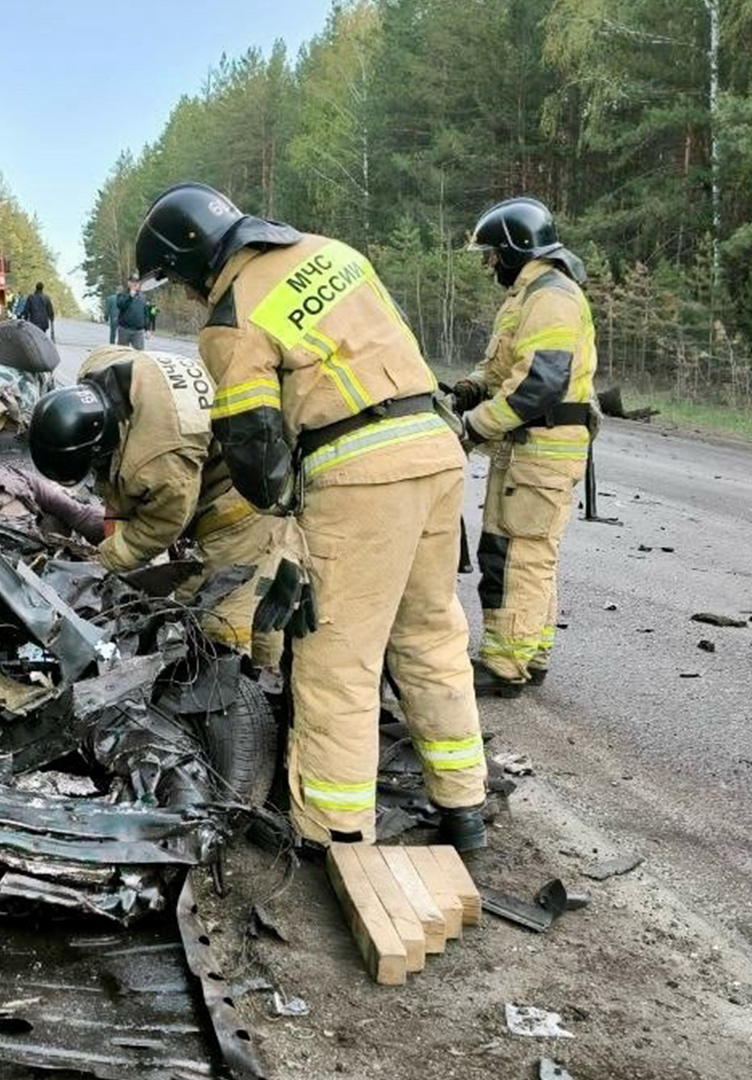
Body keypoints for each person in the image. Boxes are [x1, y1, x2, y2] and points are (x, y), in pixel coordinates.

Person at [134, 181, 487, 852]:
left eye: (179, 281)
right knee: (430, 634)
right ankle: (464, 808)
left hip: (361, 471)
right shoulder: (331, 252)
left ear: (195, 259)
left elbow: (253, 447)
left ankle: (336, 832)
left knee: (336, 659)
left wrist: (282, 512)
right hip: (437, 450)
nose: (184, 296)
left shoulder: (232, 316)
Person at [26, 345, 287, 668]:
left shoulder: (157, 460)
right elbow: (117, 490)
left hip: (241, 506)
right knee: (252, 598)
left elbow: (161, 527)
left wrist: (107, 560)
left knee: (214, 614)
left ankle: (251, 687)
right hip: (230, 455)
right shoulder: (99, 367)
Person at [450, 197, 599, 698]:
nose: (489, 263)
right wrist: (470, 387)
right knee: (529, 553)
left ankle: (504, 664)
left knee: (515, 556)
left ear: (517, 248)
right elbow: (504, 368)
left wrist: (471, 427)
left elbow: (539, 384)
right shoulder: (528, 295)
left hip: (541, 449)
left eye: (493, 254)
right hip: (528, 449)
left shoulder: (551, 298)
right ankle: (530, 655)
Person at [113, 278, 150, 349]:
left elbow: (145, 314)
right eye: (133, 282)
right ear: (129, 283)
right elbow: (120, 305)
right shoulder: (122, 294)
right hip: (125, 329)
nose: (135, 284)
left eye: (137, 282)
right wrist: (130, 297)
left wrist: (147, 329)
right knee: (122, 353)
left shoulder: (142, 297)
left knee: (139, 354)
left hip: (138, 331)